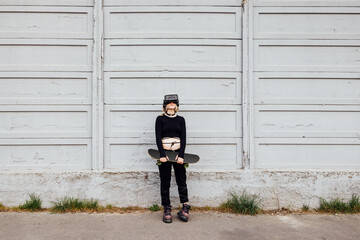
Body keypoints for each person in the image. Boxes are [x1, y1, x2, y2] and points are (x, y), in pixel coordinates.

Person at [155, 94, 191, 223]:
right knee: (165, 181)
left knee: (181, 180)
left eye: (173, 102)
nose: (171, 104)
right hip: (165, 155)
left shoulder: (181, 119)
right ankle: (167, 208)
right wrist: (162, 155)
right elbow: (158, 137)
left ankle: (185, 206)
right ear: (165, 105)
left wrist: (181, 155)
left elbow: (184, 138)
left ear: (177, 105)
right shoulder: (160, 119)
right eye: (169, 102)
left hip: (177, 155)